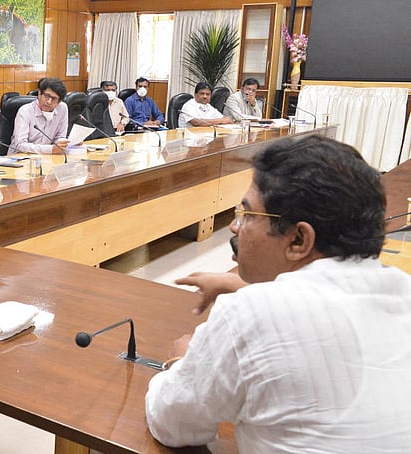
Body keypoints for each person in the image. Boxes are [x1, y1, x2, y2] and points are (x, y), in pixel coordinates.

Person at [145, 135, 411, 451]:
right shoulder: (402, 290)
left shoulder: (247, 314)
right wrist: (236, 284)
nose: (234, 227)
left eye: (248, 215)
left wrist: (181, 361)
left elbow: (173, 423)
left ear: (299, 240)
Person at [11, 77, 70, 154]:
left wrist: (65, 143)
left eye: (54, 99)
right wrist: (50, 149)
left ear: (59, 102)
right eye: (46, 96)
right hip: (21, 156)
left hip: (46, 156)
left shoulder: (62, 108)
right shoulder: (25, 111)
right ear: (39, 93)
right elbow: (20, 145)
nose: (49, 102)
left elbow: (60, 136)